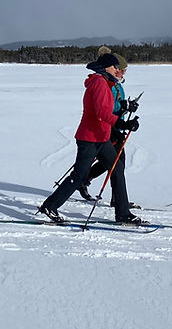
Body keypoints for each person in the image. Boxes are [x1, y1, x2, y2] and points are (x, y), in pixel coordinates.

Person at [38, 50, 143, 225]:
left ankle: (123, 213)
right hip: (90, 139)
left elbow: (107, 108)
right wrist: (123, 124)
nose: (116, 69)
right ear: (106, 67)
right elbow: (102, 113)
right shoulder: (99, 84)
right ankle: (50, 206)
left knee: (116, 169)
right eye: (113, 66)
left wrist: (124, 107)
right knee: (79, 176)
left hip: (101, 138)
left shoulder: (105, 83)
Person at [77, 50, 139, 208]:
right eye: (121, 69)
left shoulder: (115, 84)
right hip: (107, 127)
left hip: (114, 125)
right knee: (115, 162)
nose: (122, 72)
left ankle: (115, 198)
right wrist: (121, 120)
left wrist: (127, 107)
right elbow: (105, 110)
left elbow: (116, 105)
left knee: (115, 162)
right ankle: (115, 199)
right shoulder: (104, 83)